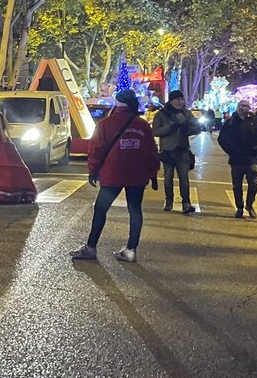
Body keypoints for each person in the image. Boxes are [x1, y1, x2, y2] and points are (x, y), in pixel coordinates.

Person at [71, 89, 159, 263]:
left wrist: (93, 171)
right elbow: (151, 152)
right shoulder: (142, 125)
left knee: (101, 209)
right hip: (137, 175)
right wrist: (152, 173)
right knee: (135, 210)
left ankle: (91, 247)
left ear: (117, 103)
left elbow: (96, 150)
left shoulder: (105, 124)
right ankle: (131, 249)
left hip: (113, 174)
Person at [218, 100, 257, 218]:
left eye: (246, 106)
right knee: (237, 185)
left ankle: (249, 205)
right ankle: (239, 207)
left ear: (249, 108)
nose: (243, 108)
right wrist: (230, 150)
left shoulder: (256, 121)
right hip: (236, 158)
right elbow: (222, 138)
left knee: (253, 183)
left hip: (252, 157)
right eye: (241, 106)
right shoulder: (231, 121)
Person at [152, 90, 201, 213]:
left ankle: (186, 203)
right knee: (168, 177)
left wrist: (187, 127)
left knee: (184, 177)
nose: (180, 102)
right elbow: (155, 131)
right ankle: (169, 201)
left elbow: (196, 128)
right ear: (171, 100)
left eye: (181, 99)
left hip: (182, 150)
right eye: (177, 99)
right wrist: (170, 128)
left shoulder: (187, 114)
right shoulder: (162, 114)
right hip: (168, 151)